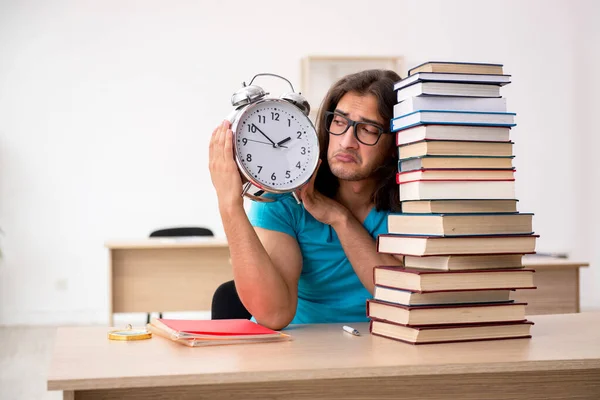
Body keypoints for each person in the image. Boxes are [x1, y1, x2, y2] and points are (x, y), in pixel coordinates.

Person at [209, 69, 403, 330]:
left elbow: (402, 296)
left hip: (382, 351)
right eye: (339, 122)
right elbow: (274, 314)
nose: (347, 142)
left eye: (368, 130)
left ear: (395, 145)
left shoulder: (414, 205)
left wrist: (340, 219)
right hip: (294, 353)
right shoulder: (282, 201)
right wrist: (229, 204)